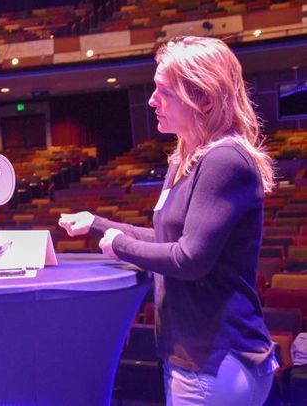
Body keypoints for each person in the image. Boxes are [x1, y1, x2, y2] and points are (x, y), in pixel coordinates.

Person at [59, 36, 276, 405]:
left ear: (204, 98)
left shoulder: (225, 160)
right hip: (196, 357)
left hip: (215, 358)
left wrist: (118, 245)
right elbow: (166, 237)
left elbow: (189, 260)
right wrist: (96, 223)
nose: (151, 100)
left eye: (164, 90)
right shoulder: (185, 160)